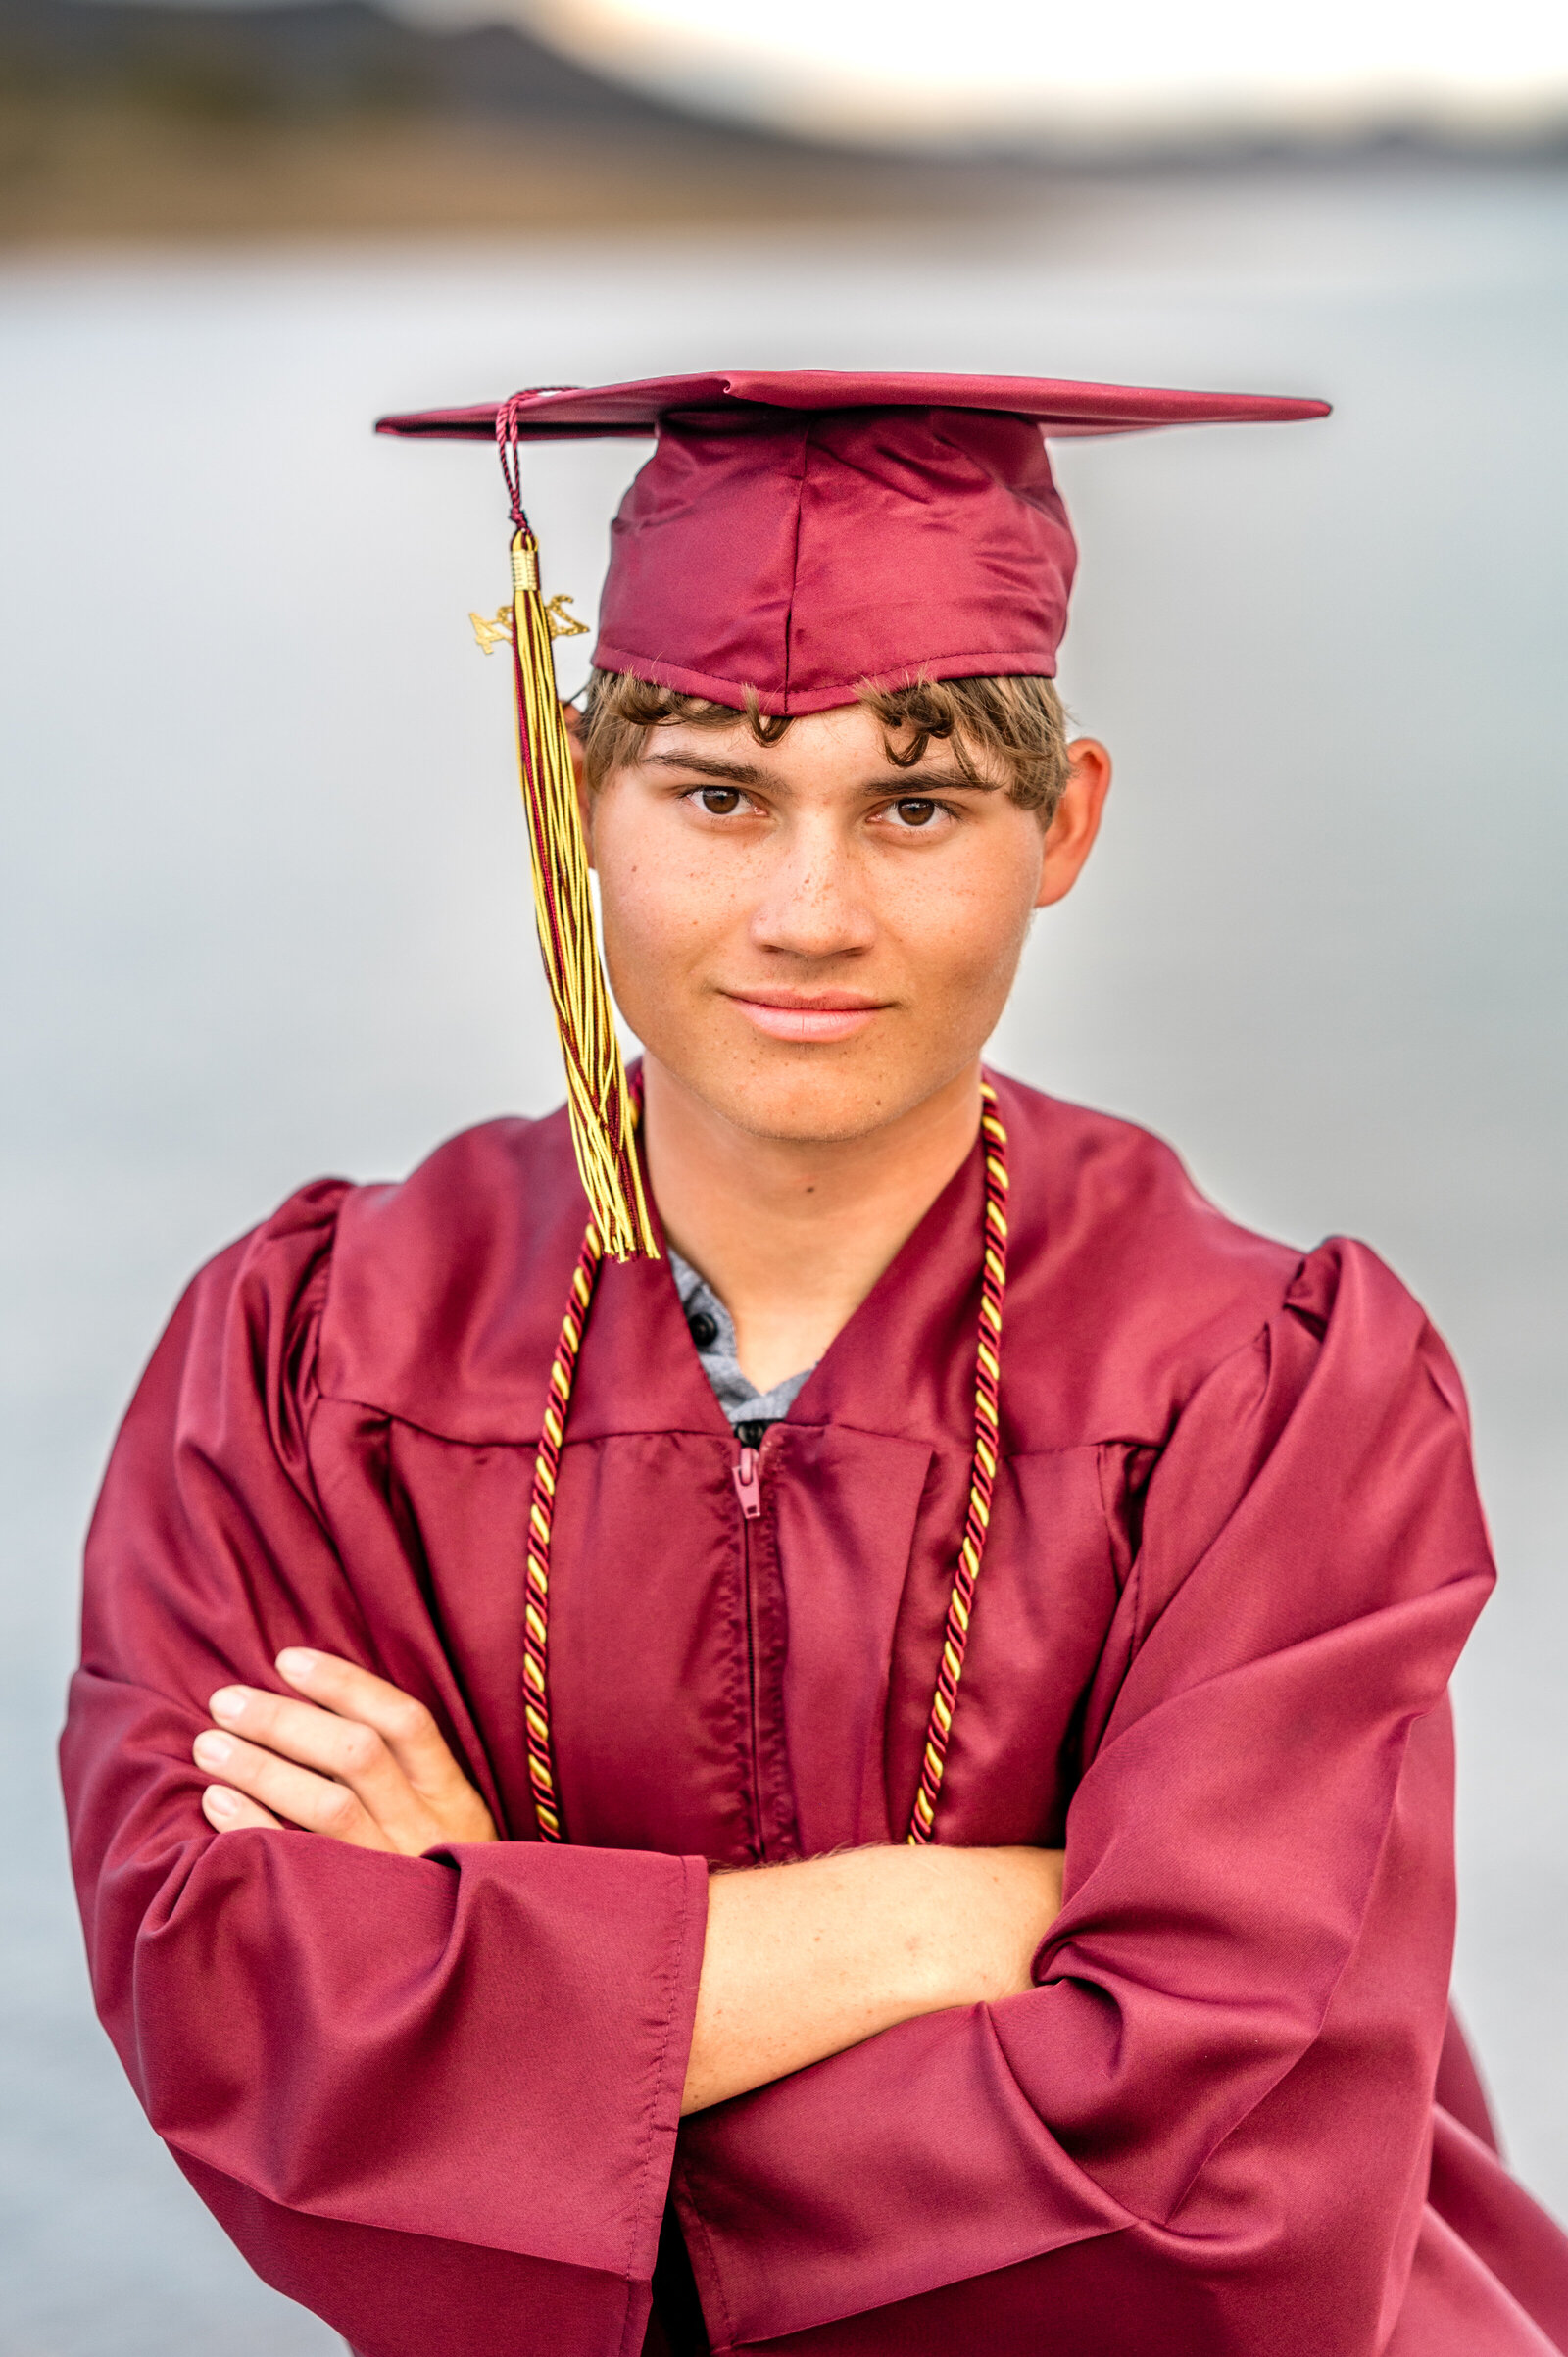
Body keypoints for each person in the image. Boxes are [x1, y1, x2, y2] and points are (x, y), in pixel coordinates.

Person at [61, 369, 1568, 2357]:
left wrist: (492, 2001)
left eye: (914, 806)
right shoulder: (308, 1355)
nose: (808, 913)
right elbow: (230, 2012)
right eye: (717, 794)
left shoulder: (1274, 1396)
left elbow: (1224, 2176)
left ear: (1062, 823)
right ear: (573, 802)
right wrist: (950, 1921)